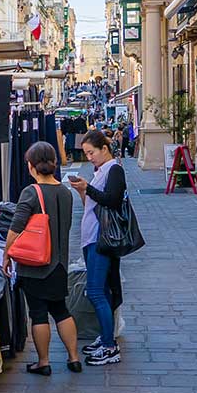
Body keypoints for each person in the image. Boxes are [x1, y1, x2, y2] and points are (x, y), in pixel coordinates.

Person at [5, 141, 82, 375]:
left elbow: (15, 229)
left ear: (31, 166)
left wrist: (6, 255)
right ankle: (74, 358)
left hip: (36, 264)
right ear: (54, 163)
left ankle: (44, 362)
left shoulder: (31, 192)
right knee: (61, 310)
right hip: (59, 263)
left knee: (38, 313)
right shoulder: (66, 193)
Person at [69, 129, 125, 365]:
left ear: (104, 149)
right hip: (92, 237)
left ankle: (110, 346)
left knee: (95, 291)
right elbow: (93, 205)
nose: (89, 157)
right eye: (86, 153)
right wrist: (83, 191)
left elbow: (112, 199)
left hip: (102, 240)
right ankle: (104, 338)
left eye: (91, 152)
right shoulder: (101, 171)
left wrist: (88, 188)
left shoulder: (114, 169)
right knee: (99, 291)